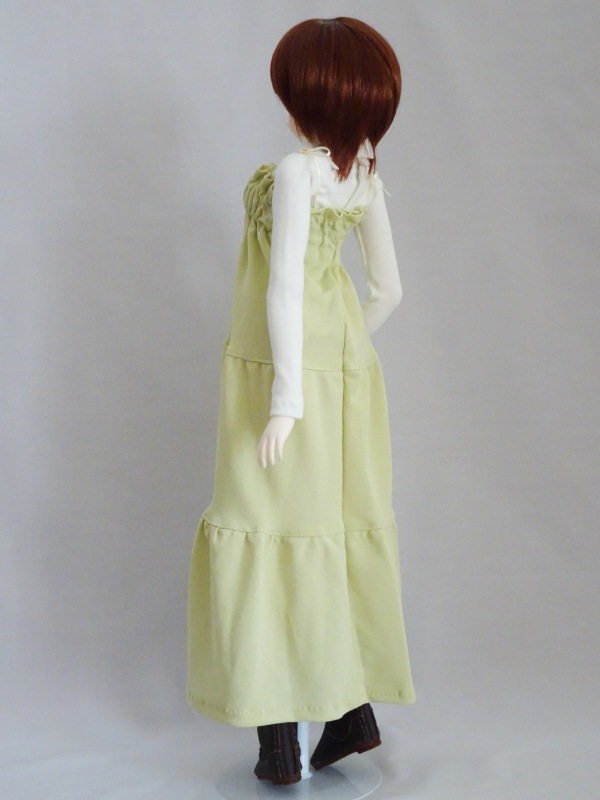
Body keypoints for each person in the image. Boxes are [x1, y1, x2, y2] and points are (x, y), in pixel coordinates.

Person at [187, 17, 416, 786]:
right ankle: (347, 717)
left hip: (275, 379)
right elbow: (388, 290)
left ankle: (282, 745)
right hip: (339, 376)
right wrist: (340, 352)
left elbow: (283, 286)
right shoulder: (364, 174)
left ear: (307, 99)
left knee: (271, 534)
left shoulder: (298, 171)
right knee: (320, 535)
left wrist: (288, 395)